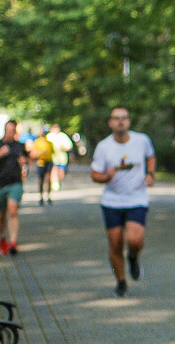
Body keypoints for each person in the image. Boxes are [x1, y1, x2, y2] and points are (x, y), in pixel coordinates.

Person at [90, 106, 156, 297]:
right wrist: (106, 177)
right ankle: (120, 280)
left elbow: (150, 157)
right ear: (110, 122)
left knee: (134, 240)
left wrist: (150, 175)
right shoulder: (104, 147)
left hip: (137, 198)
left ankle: (133, 258)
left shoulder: (142, 140)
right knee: (115, 243)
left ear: (129, 121)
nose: (121, 121)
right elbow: (95, 174)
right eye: (116, 118)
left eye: (124, 118)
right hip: (112, 201)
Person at [0, 121, 29, 255]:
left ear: (15, 132)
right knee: (1, 215)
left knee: (13, 210)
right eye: (8, 130)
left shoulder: (20, 146)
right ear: (4, 130)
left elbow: (28, 161)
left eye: (12, 130)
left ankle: (13, 242)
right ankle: (2, 239)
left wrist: (24, 163)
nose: (10, 133)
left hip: (15, 183)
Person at [46, 124, 74, 191]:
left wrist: (64, 148)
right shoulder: (49, 136)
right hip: (52, 158)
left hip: (62, 159)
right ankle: (54, 183)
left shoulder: (63, 136)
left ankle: (59, 180)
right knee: (54, 170)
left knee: (61, 172)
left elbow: (69, 146)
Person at [30, 129, 54, 205]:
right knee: (41, 179)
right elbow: (33, 153)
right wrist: (40, 153)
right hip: (41, 162)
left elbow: (52, 152)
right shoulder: (37, 142)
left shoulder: (49, 143)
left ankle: (49, 196)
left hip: (48, 162)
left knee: (48, 178)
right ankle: (41, 196)